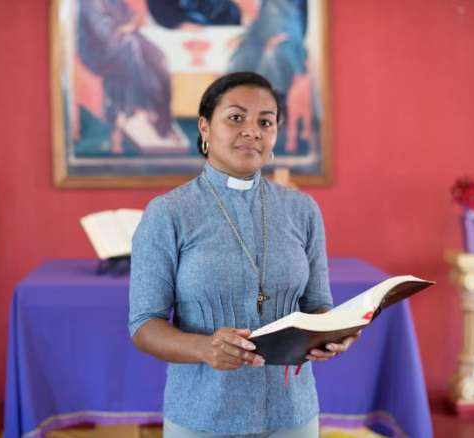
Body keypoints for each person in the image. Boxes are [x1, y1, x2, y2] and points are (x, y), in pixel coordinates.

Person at [128, 72, 360, 437]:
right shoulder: (167, 213)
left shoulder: (302, 210)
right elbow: (143, 326)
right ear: (205, 127)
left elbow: (318, 304)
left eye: (265, 122)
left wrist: (333, 334)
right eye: (236, 117)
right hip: (203, 416)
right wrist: (205, 348)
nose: (252, 130)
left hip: (293, 413)